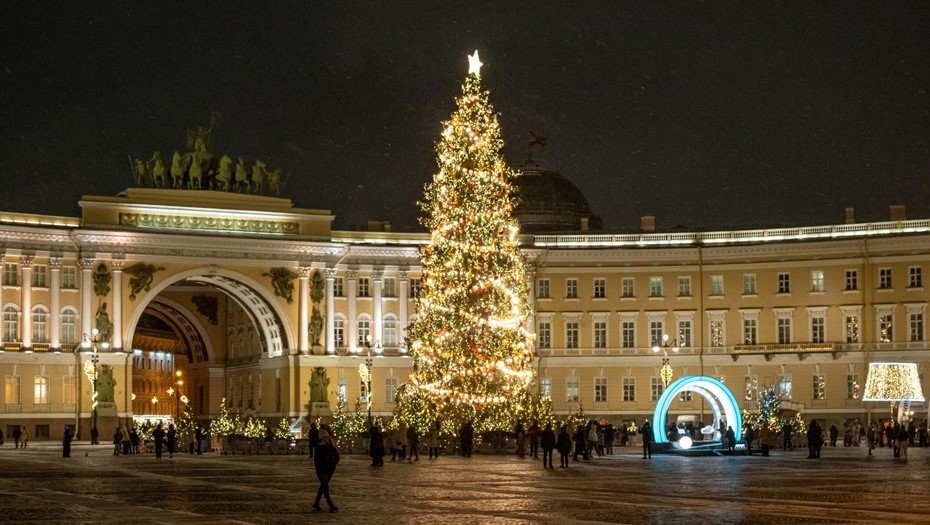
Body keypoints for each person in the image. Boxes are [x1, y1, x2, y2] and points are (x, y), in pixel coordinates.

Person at [312, 430, 339, 513]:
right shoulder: (319, 447)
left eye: (327, 437)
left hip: (329, 470)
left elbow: (337, 456)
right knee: (325, 487)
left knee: (322, 487)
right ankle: (331, 505)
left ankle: (316, 503)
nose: (326, 438)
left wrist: (333, 465)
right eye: (324, 437)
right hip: (322, 471)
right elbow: (317, 460)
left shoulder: (331, 446)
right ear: (321, 438)